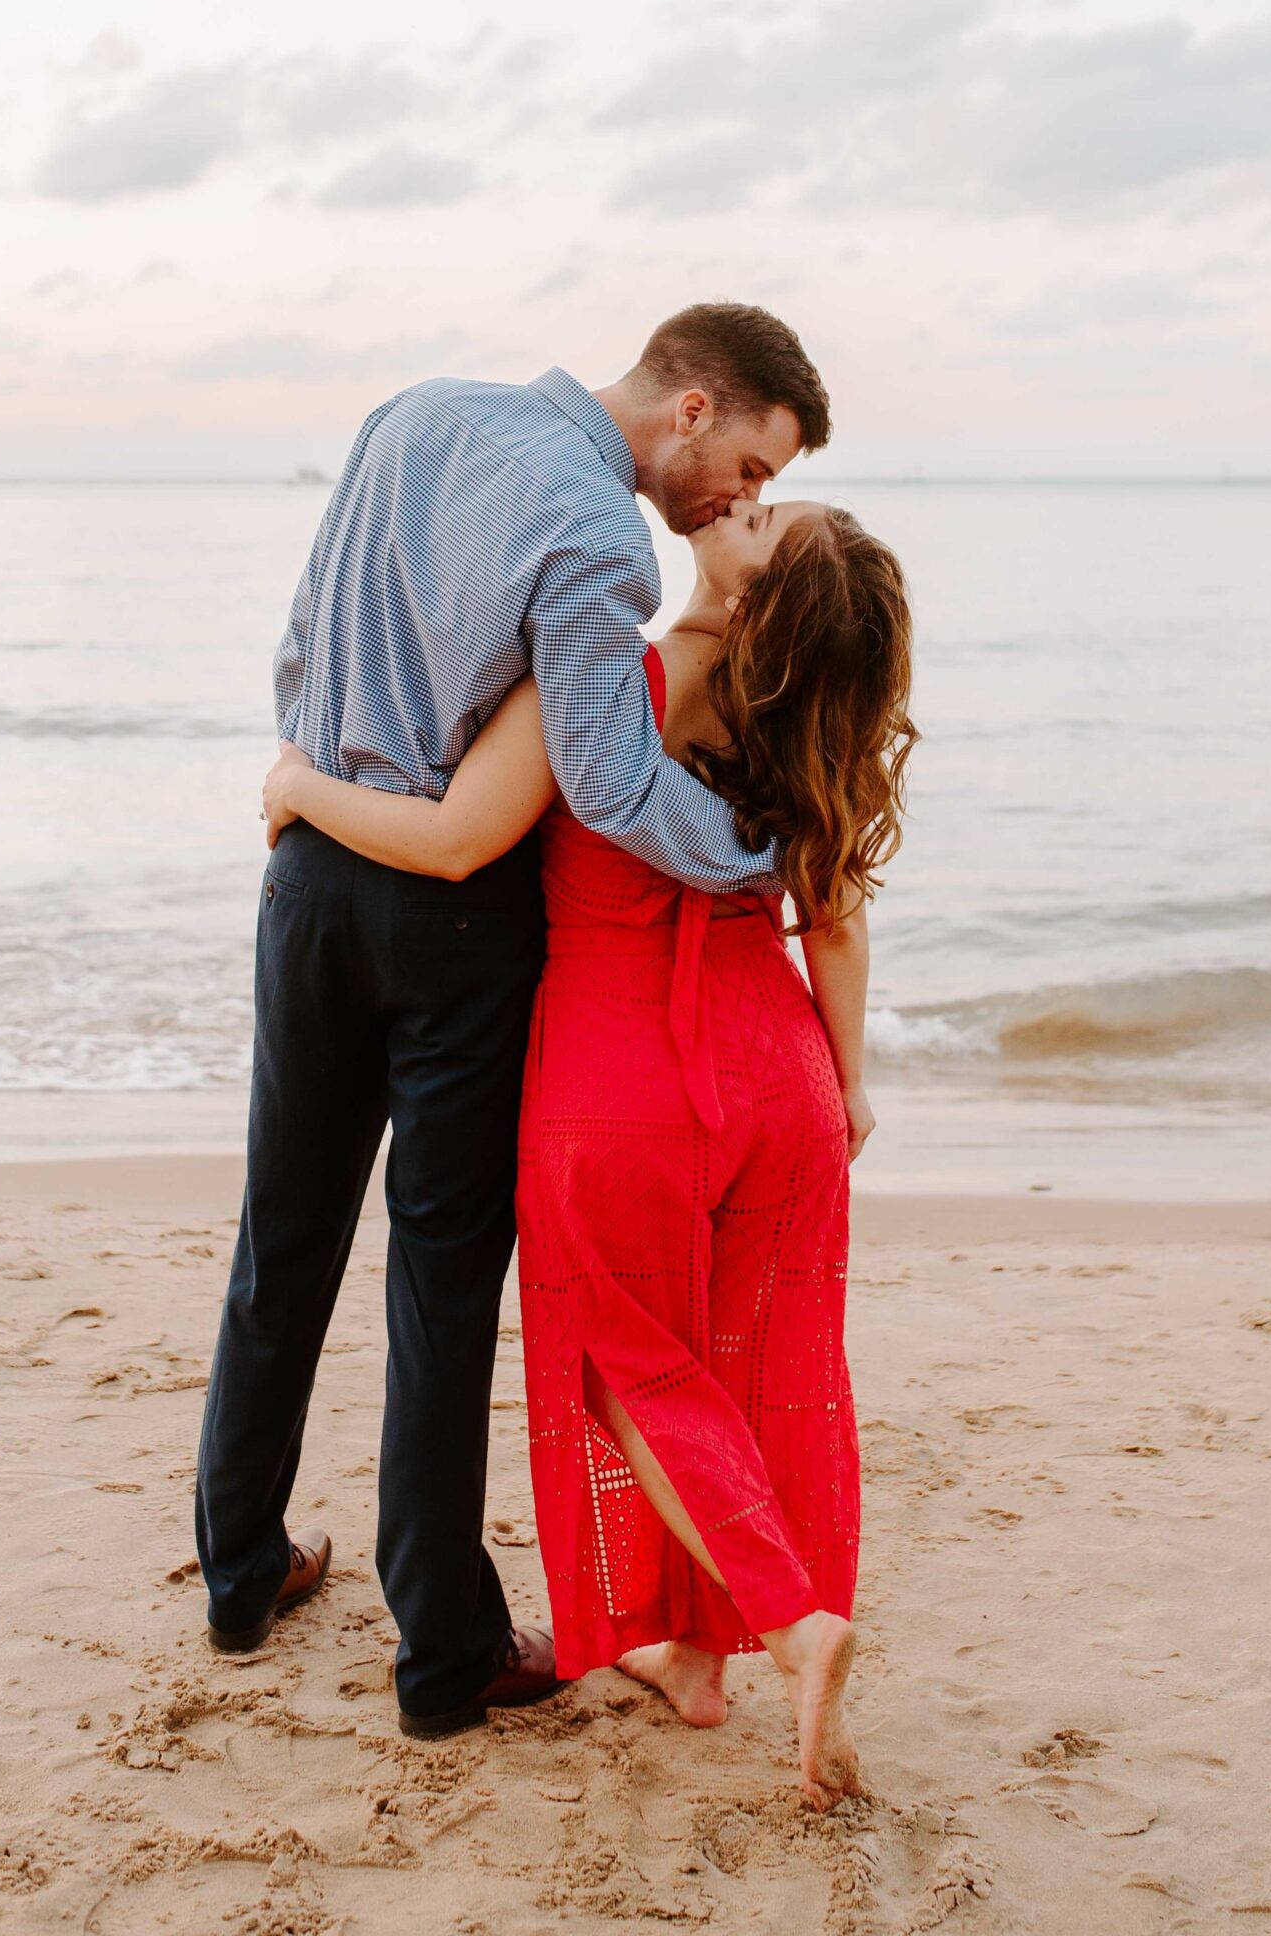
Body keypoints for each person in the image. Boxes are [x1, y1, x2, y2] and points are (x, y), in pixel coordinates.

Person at [194, 304, 831, 1745]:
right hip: (455, 923)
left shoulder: (412, 412)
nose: (735, 499)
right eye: (743, 462)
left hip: (309, 874)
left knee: (281, 1233)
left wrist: (313, 777)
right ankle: (444, 1657)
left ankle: (239, 1577)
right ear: (690, 407)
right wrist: (762, 856)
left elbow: (302, 643)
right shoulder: (602, 541)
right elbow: (603, 780)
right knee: (436, 1279)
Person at [263, 494, 916, 1809]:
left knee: (619, 1364)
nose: (738, 505)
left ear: (762, 591)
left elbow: (453, 844)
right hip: (776, 1066)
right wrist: (844, 1087)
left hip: (618, 1071)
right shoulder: (815, 726)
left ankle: (784, 1621)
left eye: (764, 517)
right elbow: (832, 924)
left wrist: (298, 788)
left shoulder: (610, 681)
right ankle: (686, 1655)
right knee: (749, 1362)